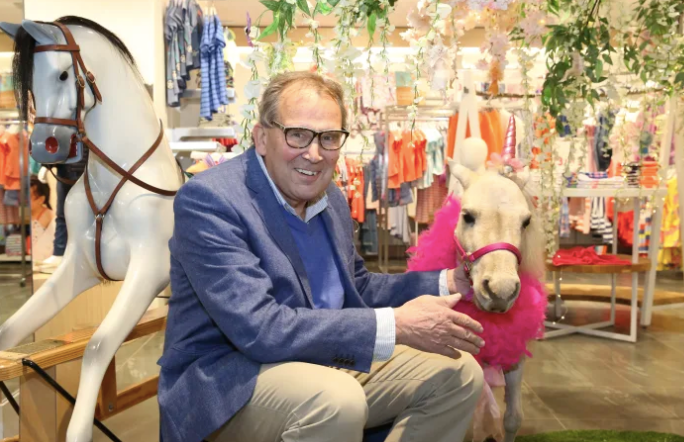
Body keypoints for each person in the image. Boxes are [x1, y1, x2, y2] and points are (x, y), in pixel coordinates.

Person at [159, 71, 484, 442]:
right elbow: (260, 328)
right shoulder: (211, 200)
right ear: (261, 138)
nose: (314, 154)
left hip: (321, 359)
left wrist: (448, 281)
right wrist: (397, 325)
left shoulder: (329, 198)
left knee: (460, 374)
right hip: (231, 378)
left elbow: (358, 286)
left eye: (328, 138)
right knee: (336, 400)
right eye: (297, 134)